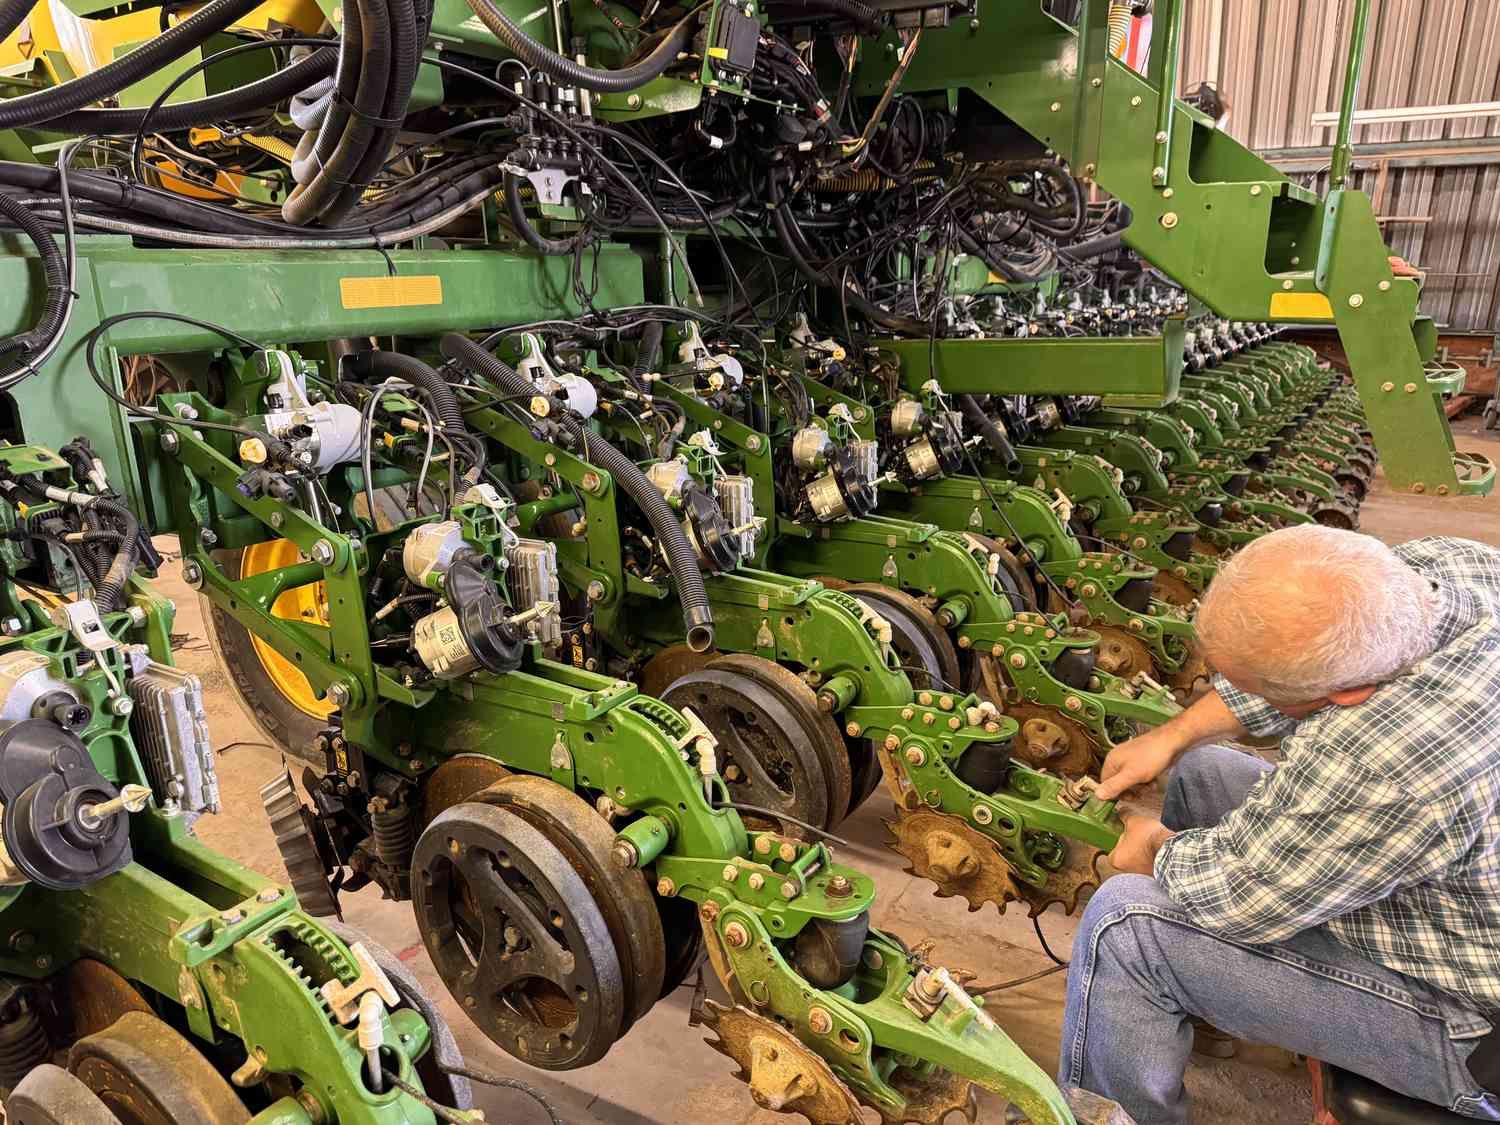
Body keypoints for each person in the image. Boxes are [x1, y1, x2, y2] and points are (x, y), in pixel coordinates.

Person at [1059, 526, 1500, 1123]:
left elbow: (1240, 898)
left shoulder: (1382, 756)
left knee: (1126, 925)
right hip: (1458, 900)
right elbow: (1300, 674)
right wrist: (1172, 735)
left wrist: (1157, 850)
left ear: (1347, 694)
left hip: (1471, 1026)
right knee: (1205, 772)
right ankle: (1189, 1006)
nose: (1238, 694)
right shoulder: (1453, 569)